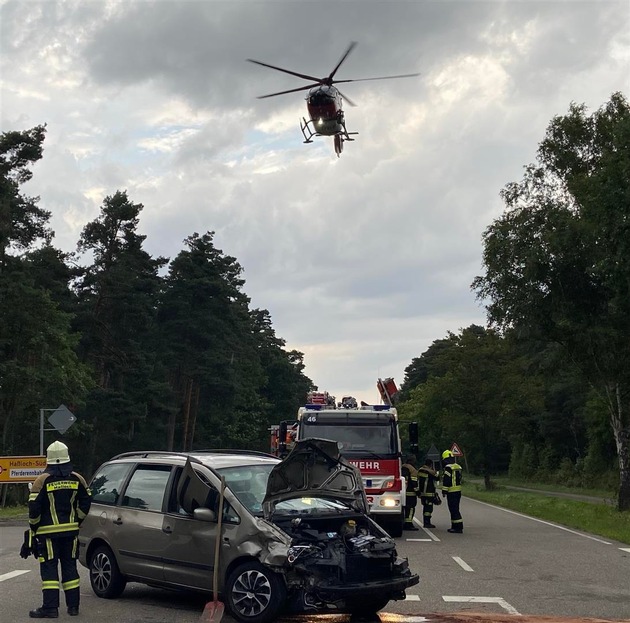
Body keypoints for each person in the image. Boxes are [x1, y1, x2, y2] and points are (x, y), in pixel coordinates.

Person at [27, 441, 91, 618]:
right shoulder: (77, 478)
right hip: (71, 533)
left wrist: (34, 526)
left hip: (47, 535)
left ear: (48, 459)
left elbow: (34, 508)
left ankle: (50, 608)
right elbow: (86, 501)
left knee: (49, 569)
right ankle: (73, 607)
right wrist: (76, 519)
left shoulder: (42, 480)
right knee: (70, 567)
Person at [441, 449, 463, 533]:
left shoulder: (448, 468)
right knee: (456, 508)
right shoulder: (458, 466)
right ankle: (455, 526)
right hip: (458, 491)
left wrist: (444, 491)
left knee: (453, 509)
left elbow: (447, 480)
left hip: (451, 491)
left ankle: (457, 527)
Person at [417, 458, 439, 528]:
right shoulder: (430, 472)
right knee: (428, 508)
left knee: (425, 507)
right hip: (429, 493)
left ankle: (425, 522)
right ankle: (427, 523)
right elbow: (437, 478)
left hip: (422, 493)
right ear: (430, 465)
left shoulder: (420, 470)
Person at [401, 454, 419, 530]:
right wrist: (418, 492)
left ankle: (404, 522)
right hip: (411, 492)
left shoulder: (402, 467)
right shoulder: (412, 469)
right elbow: (414, 482)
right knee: (411, 508)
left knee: (404, 508)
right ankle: (409, 524)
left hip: (402, 492)